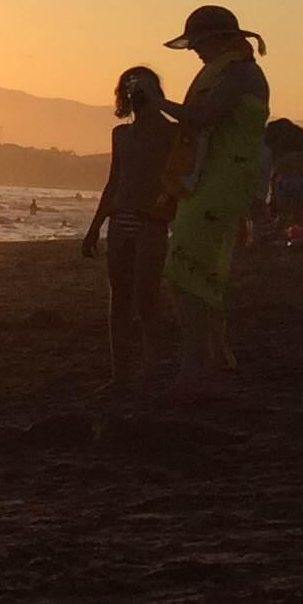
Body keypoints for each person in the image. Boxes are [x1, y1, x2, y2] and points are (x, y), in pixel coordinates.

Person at [156, 5, 270, 397]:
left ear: (219, 40)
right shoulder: (225, 71)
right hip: (209, 179)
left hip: (222, 181)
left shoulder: (240, 73)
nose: (195, 52)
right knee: (195, 271)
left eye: (199, 44)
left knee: (187, 271)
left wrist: (159, 103)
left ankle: (196, 363)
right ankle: (209, 357)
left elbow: (202, 116)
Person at [81, 66, 177, 395]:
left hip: (152, 222)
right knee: (119, 299)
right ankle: (120, 375)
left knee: (147, 300)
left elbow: (180, 177)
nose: (135, 96)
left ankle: (150, 374)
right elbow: (113, 181)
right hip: (120, 220)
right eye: (130, 89)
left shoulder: (171, 133)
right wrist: (95, 227)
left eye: (142, 89)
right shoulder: (121, 134)